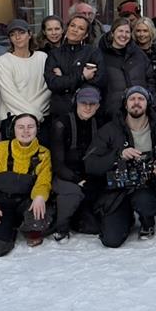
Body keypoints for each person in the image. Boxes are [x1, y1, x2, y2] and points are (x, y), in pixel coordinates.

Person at [96, 86, 156, 246]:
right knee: (111, 240)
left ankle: (148, 220)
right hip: (118, 191)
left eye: (141, 99)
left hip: (148, 188)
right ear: (125, 105)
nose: (136, 103)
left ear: (148, 103)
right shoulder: (110, 130)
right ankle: (126, 218)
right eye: (132, 99)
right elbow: (91, 163)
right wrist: (118, 155)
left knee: (144, 200)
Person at [0, 113, 53, 258]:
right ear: (13, 130)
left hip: (26, 203)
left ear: (37, 129)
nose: (25, 131)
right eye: (20, 127)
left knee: (40, 217)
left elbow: (43, 182)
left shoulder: (43, 154)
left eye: (30, 127)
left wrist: (39, 197)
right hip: (0, 205)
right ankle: (7, 229)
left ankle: (28, 228)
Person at [49, 87, 113, 238]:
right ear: (76, 102)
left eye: (92, 103)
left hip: (90, 175)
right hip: (67, 176)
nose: (88, 107)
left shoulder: (101, 123)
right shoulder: (61, 124)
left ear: (98, 105)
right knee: (73, 193)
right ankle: (61, 224)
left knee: (93, 226)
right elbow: (58, 165)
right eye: (84, 103)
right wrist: (78, 180)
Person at [0, 18, 50, 138]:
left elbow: (47, 89)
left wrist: (35, 115)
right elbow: (8, 94)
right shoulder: (4, 60)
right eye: (13, 34)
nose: (17, 37)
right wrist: (33, 115)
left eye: (21, 33)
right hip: (13, 119)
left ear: (29, 35)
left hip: (41, 118)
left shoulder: (43, 58)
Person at [95, 14, 154, 120]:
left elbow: (151, 79)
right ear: (112, 33)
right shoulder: (101, 55)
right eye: (120, 31)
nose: (124, 35)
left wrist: (151, 102)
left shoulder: (139, 54)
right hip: (111, 113)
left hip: (139, 111)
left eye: (127, 32)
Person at [44, 15, 100, 122]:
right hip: (60, 112)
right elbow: (53, 83)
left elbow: (98, 80)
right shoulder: (54, 54)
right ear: (67, 28)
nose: (75, 30)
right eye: (72, 25)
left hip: (86, 111)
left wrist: (64, 79)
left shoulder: (93, 52)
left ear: (86, 35)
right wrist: (82, 76)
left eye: (81, 28)